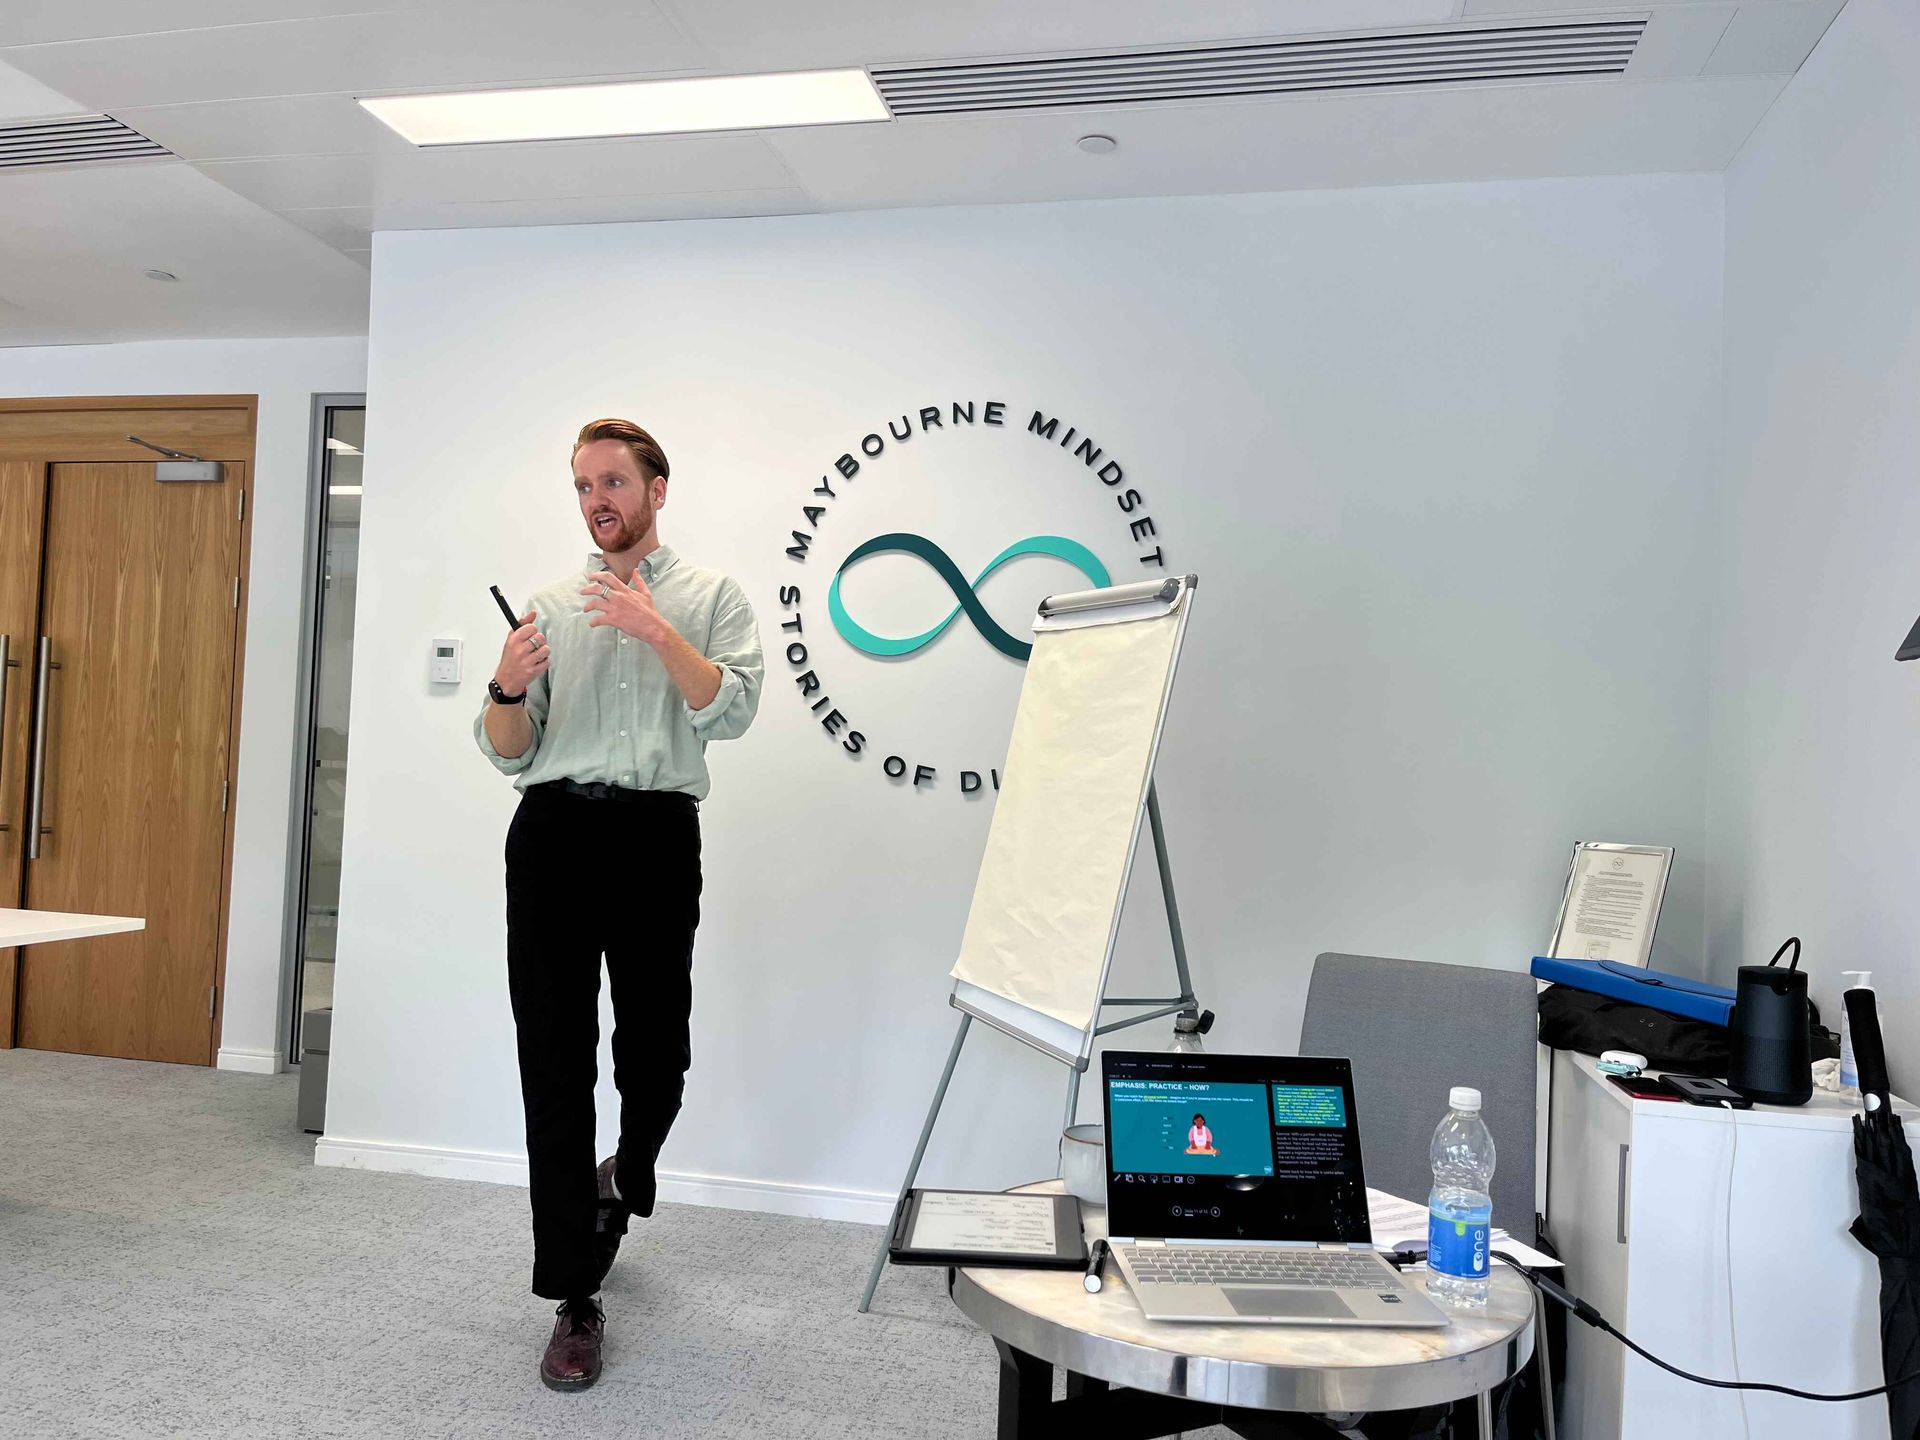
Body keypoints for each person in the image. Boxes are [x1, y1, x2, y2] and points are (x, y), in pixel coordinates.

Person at [474, 417, 763, 1392]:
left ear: (656, 489)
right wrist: (504, 685)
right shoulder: (550, 607)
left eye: (613, 482)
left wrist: (656, 631)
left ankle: (631, 1169)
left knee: (656, 1054)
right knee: (554, 1064)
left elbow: (732, 709)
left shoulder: (712, 598)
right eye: (583, 486)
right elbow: (508, 748)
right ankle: (574, 1294)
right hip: (552, 835)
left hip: (654, 837)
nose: (597, 500)